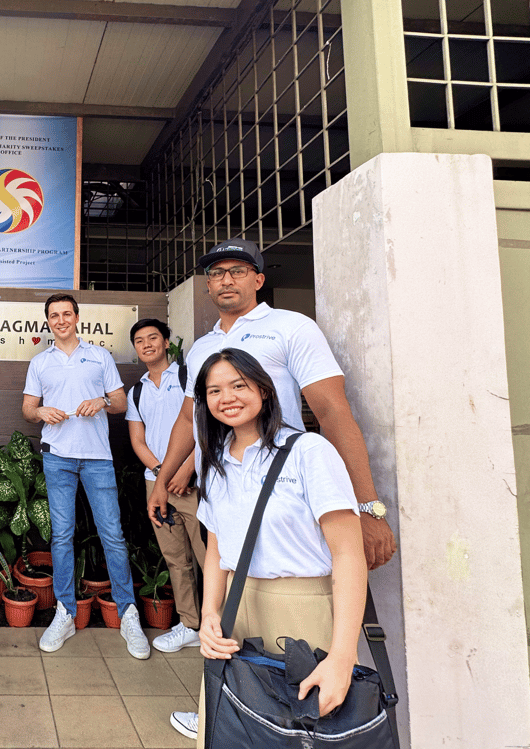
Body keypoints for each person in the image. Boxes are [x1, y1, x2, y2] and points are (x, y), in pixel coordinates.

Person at [148, 238, 397, 571]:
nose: (226, 279)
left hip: (282, 489)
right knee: (228, 593)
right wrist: (161, 483)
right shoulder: (200, 349)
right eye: (217, 273)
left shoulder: (291, 328)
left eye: (238, 271)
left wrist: (367, 505)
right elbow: (186, 419)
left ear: (258, 280)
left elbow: (333, 413)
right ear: (208, 285)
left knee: (291, 588)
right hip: (221, 492)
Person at [169, 348, 367, 741]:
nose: (227, 398)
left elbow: (348, 554)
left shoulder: (309, 452)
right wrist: (210, 613)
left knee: (304, 732)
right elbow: (217, 550)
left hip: (306, 612)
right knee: (234, 732)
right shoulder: (214, 461)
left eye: (238, 385)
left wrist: (342, 656)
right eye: (214, 391)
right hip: (237, 614)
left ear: (263, 389)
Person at [22, 293, 150, 659]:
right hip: (58, 457)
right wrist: (41, 411)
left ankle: (127, 613)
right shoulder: (40, 362)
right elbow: (28, 409)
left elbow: (121, 402)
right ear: (48, 321)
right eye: (53, 315)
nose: (60, 320)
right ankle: (65, 611)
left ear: (77, 317)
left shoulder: (100, 355)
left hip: (97, 458)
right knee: (62, 536)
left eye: (66, 313)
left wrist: (102, 403)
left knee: (112, 534)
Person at [125, 318, 207, 653]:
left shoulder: (190, 378)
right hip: (156, 484)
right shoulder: (138, 390)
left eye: (153, 338)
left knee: (210, 557)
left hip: (193, 482)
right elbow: (138, 440)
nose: (147, 345)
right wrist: (163, 474)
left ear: (167, 342)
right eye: (140, 340)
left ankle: (232, 626)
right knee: (176, 558)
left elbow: (205, 427)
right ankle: (191, 624)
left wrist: (185, 469)